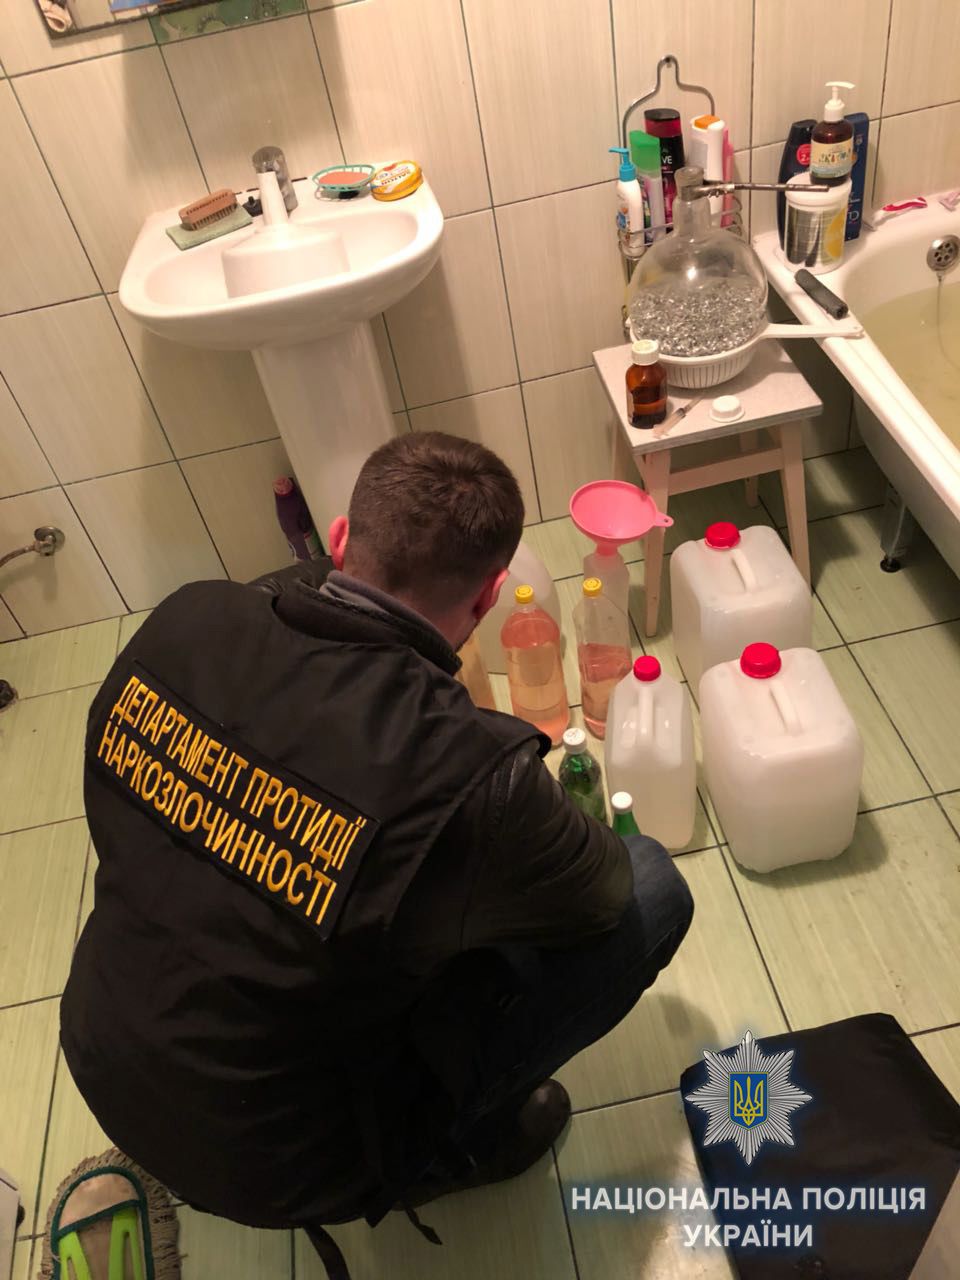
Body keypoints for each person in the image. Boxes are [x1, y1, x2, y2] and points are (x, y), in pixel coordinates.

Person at [62, 432, 693, 1278]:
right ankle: (448, 1153)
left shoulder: (186, 618)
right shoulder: (471, 774)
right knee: (654, 887)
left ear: (336, 539)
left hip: (106, 1059)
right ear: (490, 599)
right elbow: (604, 893)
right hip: (286, 1160)